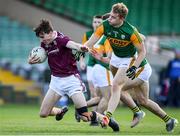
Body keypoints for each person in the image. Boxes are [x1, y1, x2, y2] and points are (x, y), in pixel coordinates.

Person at [84, 3, 178, 132]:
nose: (109, 19)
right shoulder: (106, 27)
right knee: (143, 100)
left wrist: (134, 67)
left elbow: (142, 52)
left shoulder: (130, 31)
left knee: (116, 86)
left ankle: (108, 116)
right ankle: (168, 120)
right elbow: (91, 43)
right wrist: (83, 49)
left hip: (138, 67)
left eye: (113, 17)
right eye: (109, 16)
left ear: (121, 18)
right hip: (120, 61)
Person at [28, 19, 119, 132]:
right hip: (56, 81)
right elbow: (43, 55)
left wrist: (82, 47)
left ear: (50, 33)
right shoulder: (45, 43)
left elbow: (74, 45)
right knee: (43, 113)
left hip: (71, 80)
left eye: (43, 36)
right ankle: (60, 111)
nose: (41, 40)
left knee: (84, 116)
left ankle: (106, 119)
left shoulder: (61, 39)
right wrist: (31, 61)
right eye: (40, 37)